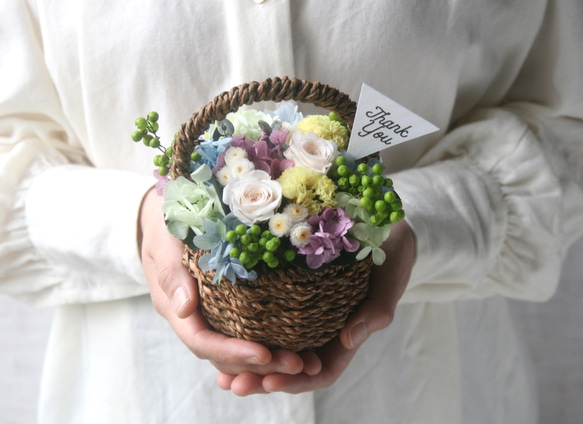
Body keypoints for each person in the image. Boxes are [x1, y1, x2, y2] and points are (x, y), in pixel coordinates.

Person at [1, 0, 582, 423]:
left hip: (431, 395)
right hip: (135, 399)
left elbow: (568, 137)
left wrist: (416, 221)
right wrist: (138, 223)